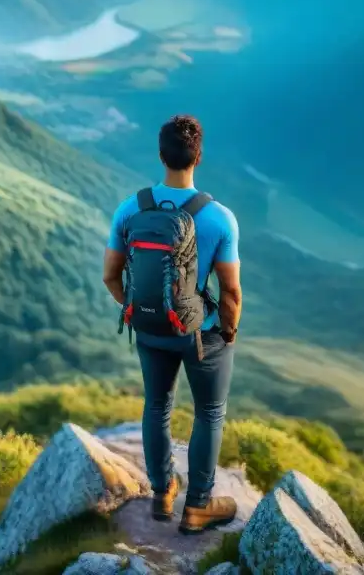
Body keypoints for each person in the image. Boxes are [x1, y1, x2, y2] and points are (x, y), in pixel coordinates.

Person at [102, 114, 243, 535]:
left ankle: (162, 492)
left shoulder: (131, 208)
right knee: (210, 412)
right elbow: (231, 292)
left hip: (150, 330)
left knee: (157, 406)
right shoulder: (219, 218)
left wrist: (137, 308)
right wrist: (229, 331)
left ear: (161, 155)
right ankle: (198, 505)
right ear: (198, 156)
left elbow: (110, 275)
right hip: (201, 334)